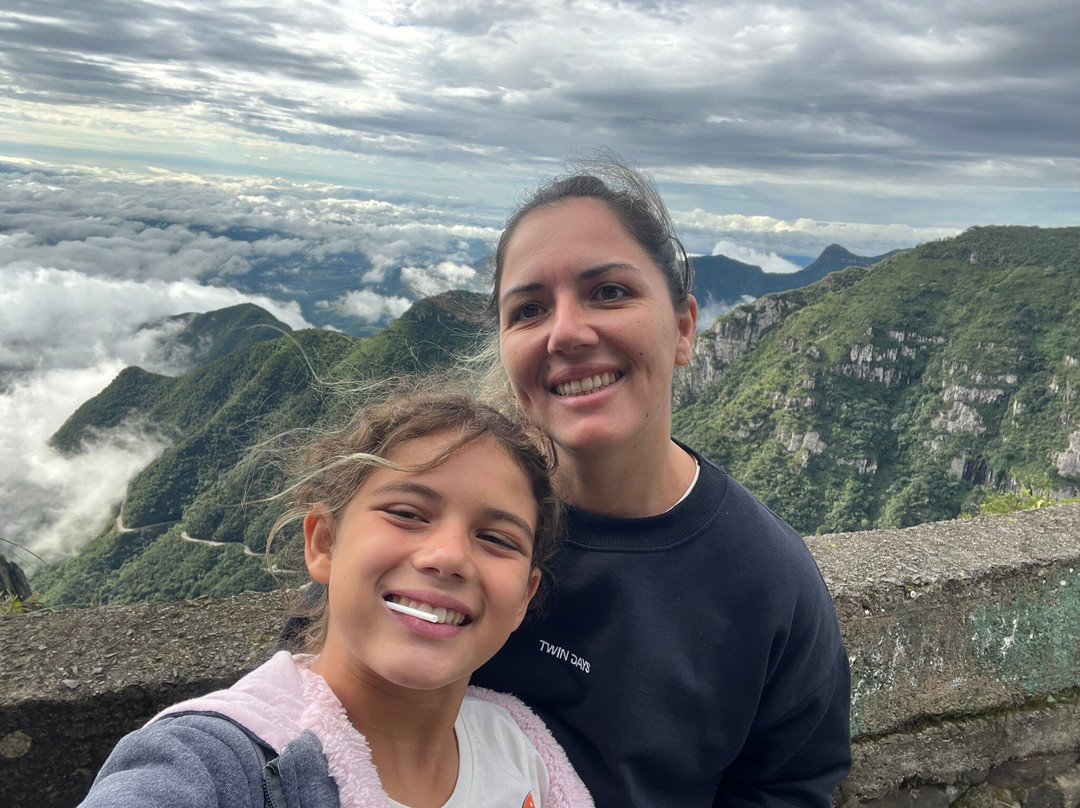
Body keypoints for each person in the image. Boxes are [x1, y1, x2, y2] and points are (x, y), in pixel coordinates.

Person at [468, 156, 852, 807]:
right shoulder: (441, 515)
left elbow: (788, 784)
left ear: (682, 329)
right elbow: (315, 697)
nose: (566, 331)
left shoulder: (768, 584)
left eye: (609, 292)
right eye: (529, 309)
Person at [79, 385, 594, 808]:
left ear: (525, 596)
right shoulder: (219, 762)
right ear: (324, 542)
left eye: (497, 539)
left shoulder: (523, 751)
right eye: (408, 513)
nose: (449, 556)